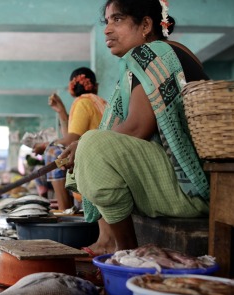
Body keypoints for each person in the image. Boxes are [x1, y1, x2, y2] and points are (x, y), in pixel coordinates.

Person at [60, 0, 210, 256]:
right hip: (187, 183)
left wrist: (83, 144)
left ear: (146, 25)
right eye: (106, 21)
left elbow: (137, 128)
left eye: (117, 20)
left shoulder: (152, 53)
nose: (107, 30)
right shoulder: (164, 54)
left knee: (94, 146)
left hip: (191, 190)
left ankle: (126, 252)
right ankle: (107, 238)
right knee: (87, 147)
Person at [39, 67, 107, 210]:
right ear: (96, 86)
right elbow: (71, 137)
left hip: (94, 164)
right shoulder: (100, 102)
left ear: (71, 88)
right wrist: (61, 111)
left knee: (52, 152)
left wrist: (45, 145)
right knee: (58, 150)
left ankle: (65, 209)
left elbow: (70, 140)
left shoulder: (82, 102)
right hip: (103, 158)